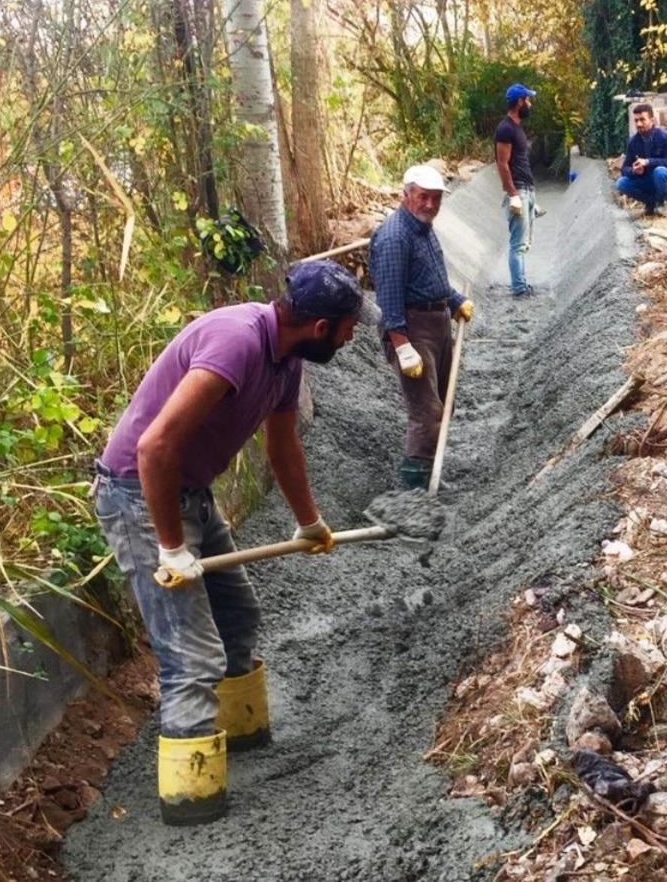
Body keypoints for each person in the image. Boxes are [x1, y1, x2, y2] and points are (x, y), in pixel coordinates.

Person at [93, 260, 379, 825]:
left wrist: (310, 523)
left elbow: (284, 447)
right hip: (138, 496)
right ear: (321, 327)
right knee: (191, 654)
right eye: (349, 328)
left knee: (238, 614)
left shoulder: (286, 357)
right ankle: (191, 803)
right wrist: (172, 549)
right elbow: (153, 449)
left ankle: (241, 734)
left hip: (190, 492)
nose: (351, 338)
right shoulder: (236, 342)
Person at [369, 164, 474, 489]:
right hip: (412, 329)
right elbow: (388, 295)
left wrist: (455, 301)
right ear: (407, 195)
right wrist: (402, 345)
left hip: (437, 322)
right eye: (423, 198)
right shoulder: (394, 238)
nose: (430, 205)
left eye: (436, 199)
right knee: (426, 411)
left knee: (444, 401)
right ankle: (414, 491)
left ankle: (430, 472)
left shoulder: (424, 229)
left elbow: (429, 276)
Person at [494, 82, 537, 297]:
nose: (529, 103)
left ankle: (522, 284)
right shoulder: (505, 128)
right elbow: (502, 163)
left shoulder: (517, 127)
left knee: (524, 243)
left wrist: (530, 196)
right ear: (520, 101)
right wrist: (514, 195)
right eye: (527, 99)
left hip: (526, 190)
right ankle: (519, 288)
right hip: (518, 191)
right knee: (517, 244)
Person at [615, 102, 667, 215]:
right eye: (636, 120)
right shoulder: (633, 142)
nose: (639, 124)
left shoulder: (664, 136)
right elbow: (624, 169)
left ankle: (662, 201)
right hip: (645, 181)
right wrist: (633, 170)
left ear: (652, 120)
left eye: (642, 119)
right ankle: (651, 203)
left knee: (660, 172)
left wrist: (647, 162)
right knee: (621, 183)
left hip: (665, 181)